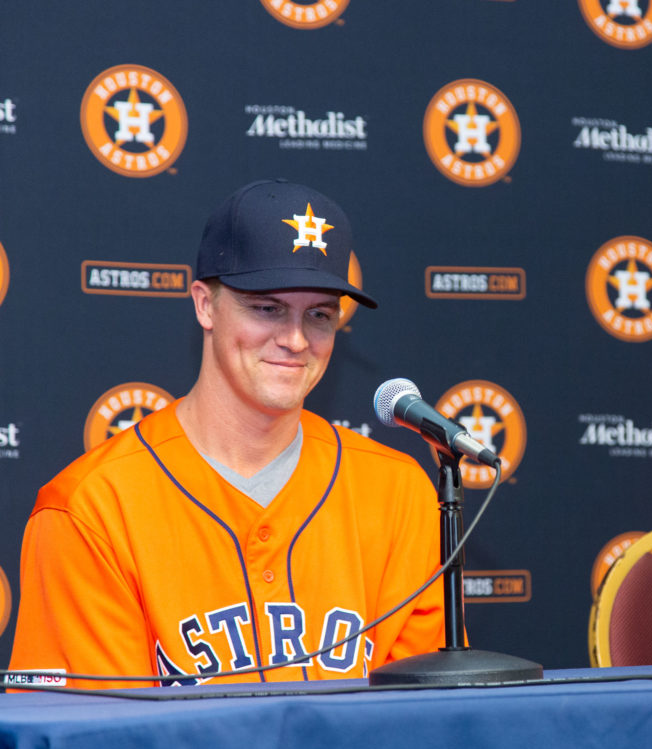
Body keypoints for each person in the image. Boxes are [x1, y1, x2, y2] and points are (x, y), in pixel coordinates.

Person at [8, 179, 446, 688]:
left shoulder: (399, 492)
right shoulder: (92, 508)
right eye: (267, 308)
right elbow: (89, 742)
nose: (295, 339)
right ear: (204, 305)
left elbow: (421, 725)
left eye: (320, 315)